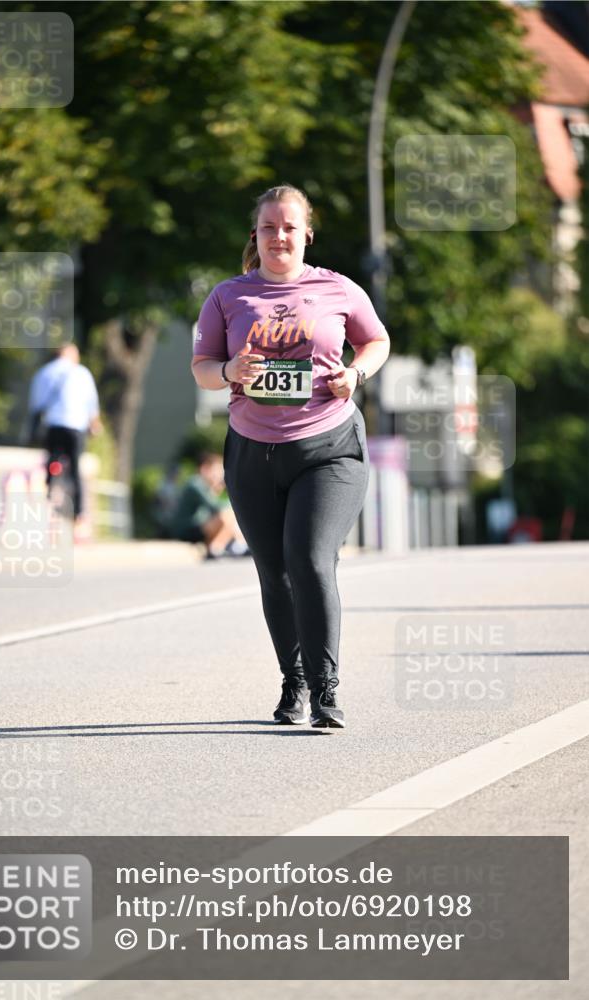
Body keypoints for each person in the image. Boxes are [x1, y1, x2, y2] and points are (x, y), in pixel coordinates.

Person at [191, 184, 390, 728]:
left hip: (328, 448)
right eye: (268, 227)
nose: (279, 236)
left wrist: (356, 374)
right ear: (254, 236)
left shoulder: (338, 289)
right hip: (252, 453)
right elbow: (203, 366)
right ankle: (293, 679)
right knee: (274, 572)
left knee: (307, 557)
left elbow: (377, 341)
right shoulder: (227, 296)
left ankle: (326, 689)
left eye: (289, 227)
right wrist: (230, 372)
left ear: (307, 234)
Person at [28, 343, 102, 525]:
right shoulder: (81, 372)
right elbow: (91, 403)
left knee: (52, 462)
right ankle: (79, 514)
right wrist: (95, 424)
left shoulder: (44, 372)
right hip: (75, 426)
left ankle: (49, 497)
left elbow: (36, 404)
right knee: (75, 469)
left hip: (53, 425)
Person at [168, 451, 249, 558]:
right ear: (204, 469)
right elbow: (215, 507)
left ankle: (235, 545)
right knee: (226, 515)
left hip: (199, 527)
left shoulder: (204, 485)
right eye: (217, 471)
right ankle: (217, 548)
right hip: (186, 529)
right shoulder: (195, 483)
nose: (220, 476)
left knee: (229, 515)